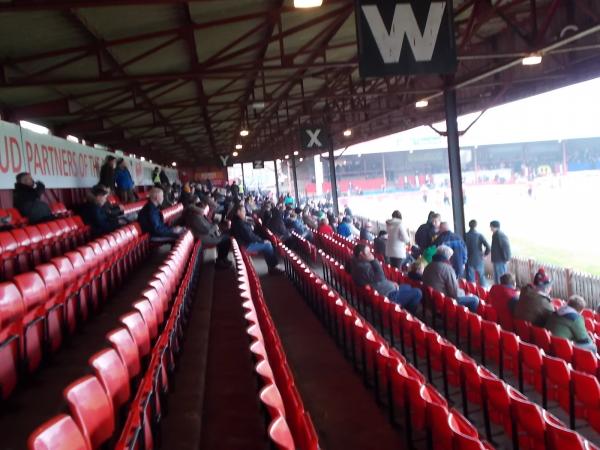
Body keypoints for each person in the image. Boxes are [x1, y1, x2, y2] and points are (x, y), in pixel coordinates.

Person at [348, 244, 422, 315]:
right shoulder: (363, 268)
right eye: (368, 252)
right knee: (418, 292)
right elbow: (380, 277)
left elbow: (378, 279)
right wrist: (373, 260)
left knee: (408, 287)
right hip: (387, 297)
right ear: (361, 254)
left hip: (385, 290)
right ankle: (405, 315)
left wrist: (390, 283)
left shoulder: (356, 262)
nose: (371, 254)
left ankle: (402, 309)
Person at [422, 245, 479, 312]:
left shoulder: (428, 266)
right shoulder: (447, 269)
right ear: (447, 257)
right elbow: (454, 293)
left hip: (430, 300)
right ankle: (467, 321)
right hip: (445, 302)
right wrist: (463, 293)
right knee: (475, 299)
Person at [230, 204, 282, 275]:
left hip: (242, 243)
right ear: (238, 212)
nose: (245, 213)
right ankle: (273, 267)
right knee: (268, 245)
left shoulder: (236, 221)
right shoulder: (240, 223)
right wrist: (262, 240)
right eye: (243, 211)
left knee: (267, 244)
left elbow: (249, 235)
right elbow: (250, 237)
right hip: (245, 246)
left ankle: (272, 267)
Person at [183, 201, 231, 268]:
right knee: (226, 240)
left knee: (225, 237)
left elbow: (208, 226)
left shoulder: (197, 215)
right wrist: (214, 228)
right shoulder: (195, 217)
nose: (204, 210)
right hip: (203, 238)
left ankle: (222, 259)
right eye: (203, 209)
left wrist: (214, 226)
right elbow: (206, 231)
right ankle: (220, 261)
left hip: (206, 235)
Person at [465, 220, 491, 286]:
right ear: (476, 226)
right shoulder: (479, 235)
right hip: (478, 258)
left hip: (468, 258)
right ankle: (484, 290)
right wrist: (485, 255)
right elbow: (488, 247)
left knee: (470, 278)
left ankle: (472, 291)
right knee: (481, 276)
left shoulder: (465, 235)